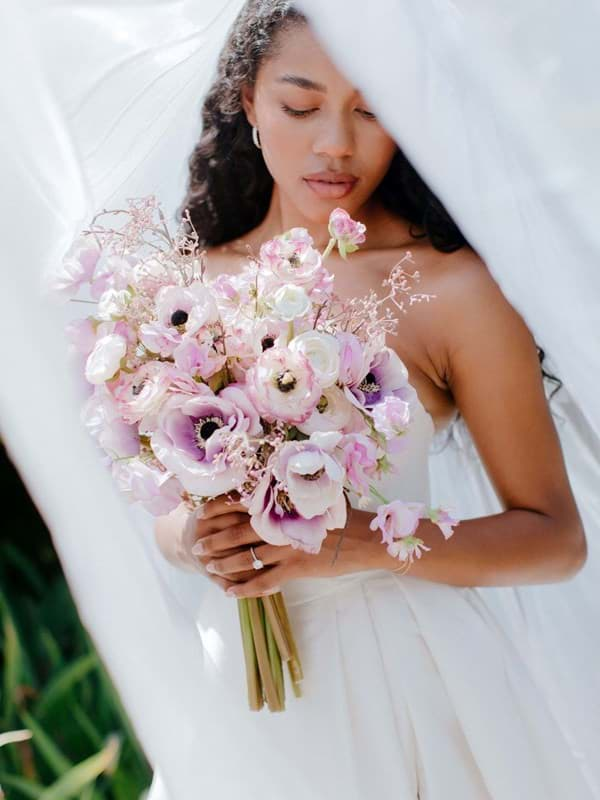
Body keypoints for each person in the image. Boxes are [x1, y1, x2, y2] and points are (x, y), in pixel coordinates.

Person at [150, 3, 595, 798]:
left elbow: (554, 539)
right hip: (249, 698)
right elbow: (168, 512)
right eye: (300, 104)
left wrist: (354, 542)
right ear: (248, 99)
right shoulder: (189, 287)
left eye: (373, 109)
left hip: (416, 677)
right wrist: (195, 537)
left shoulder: (452, 290)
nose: (336, 144)